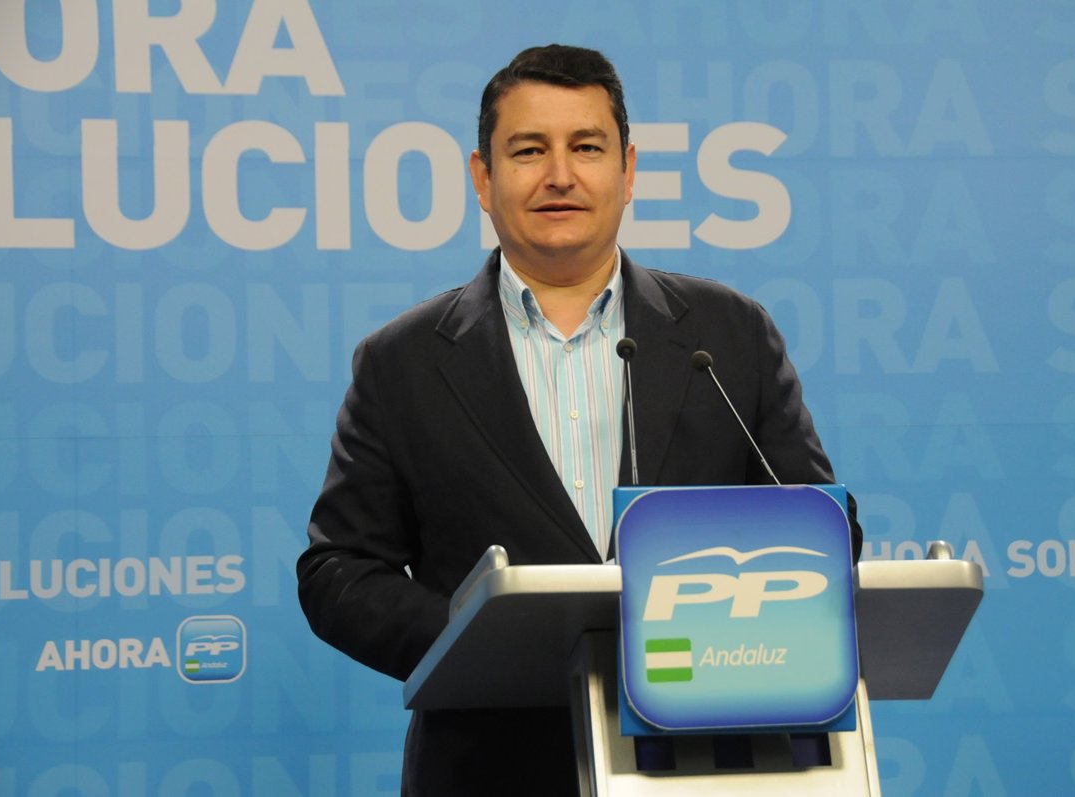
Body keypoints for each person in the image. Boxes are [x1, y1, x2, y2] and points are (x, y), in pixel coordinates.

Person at [297, 43, 861, 797]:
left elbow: (824, 530)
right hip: (493, 765)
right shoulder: (401, 361)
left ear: (628, 172)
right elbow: (338, 571)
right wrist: (476, 639)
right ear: (482, 178)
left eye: (587, 148)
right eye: (529, 150)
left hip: (710, 756)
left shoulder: (729, 335)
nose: (559, 174)